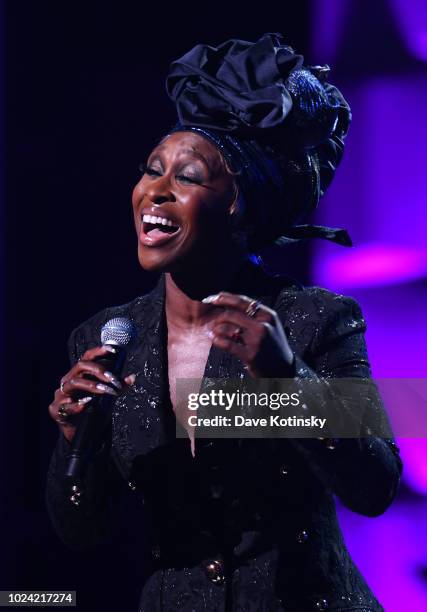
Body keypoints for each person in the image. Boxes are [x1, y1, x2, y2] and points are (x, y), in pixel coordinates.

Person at [46, 33, 403, 611]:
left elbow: (376, 484)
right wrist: (76, 445)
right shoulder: (106, 338)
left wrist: (287, 380)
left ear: (237, 204)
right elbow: (81, 532)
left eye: (186, 177)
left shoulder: (313, 319)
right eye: (151, 170)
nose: (154, 191)